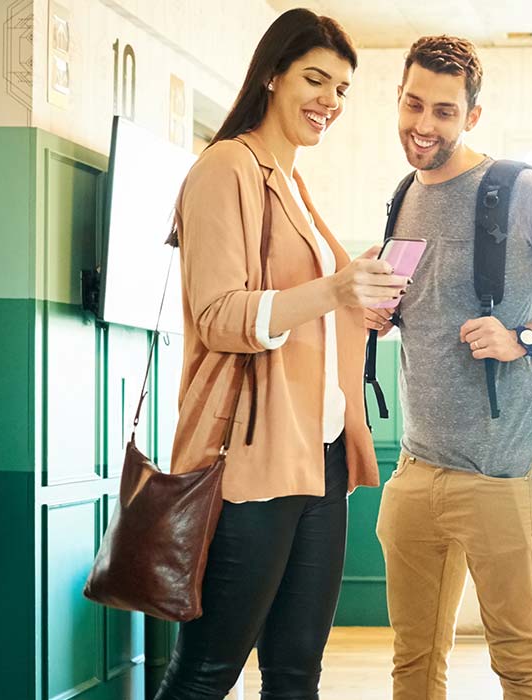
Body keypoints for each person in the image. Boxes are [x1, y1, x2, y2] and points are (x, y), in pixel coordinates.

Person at [365, 35, 532, 700]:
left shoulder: (523, 193)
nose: (424, 125)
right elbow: (421, 306)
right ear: (398, 99)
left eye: (445, 112)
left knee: (519, 663)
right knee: (412, 662)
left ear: (472, 116)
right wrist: (381, 313)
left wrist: (526, 336)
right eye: (413, 104)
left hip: (501, 476)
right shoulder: (402, 197)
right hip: (416, 471)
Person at [155, 9, 403, 698]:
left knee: (296, 674)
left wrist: (361, 303)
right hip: (252, 458)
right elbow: (218, 315)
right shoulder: (227, 167)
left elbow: (313, 314)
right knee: (206, 674)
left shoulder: (292, 183)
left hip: (319, 458)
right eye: (315, 79)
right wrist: (332, 288)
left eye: (343, 89)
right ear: (271, 74)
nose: (330, 101)